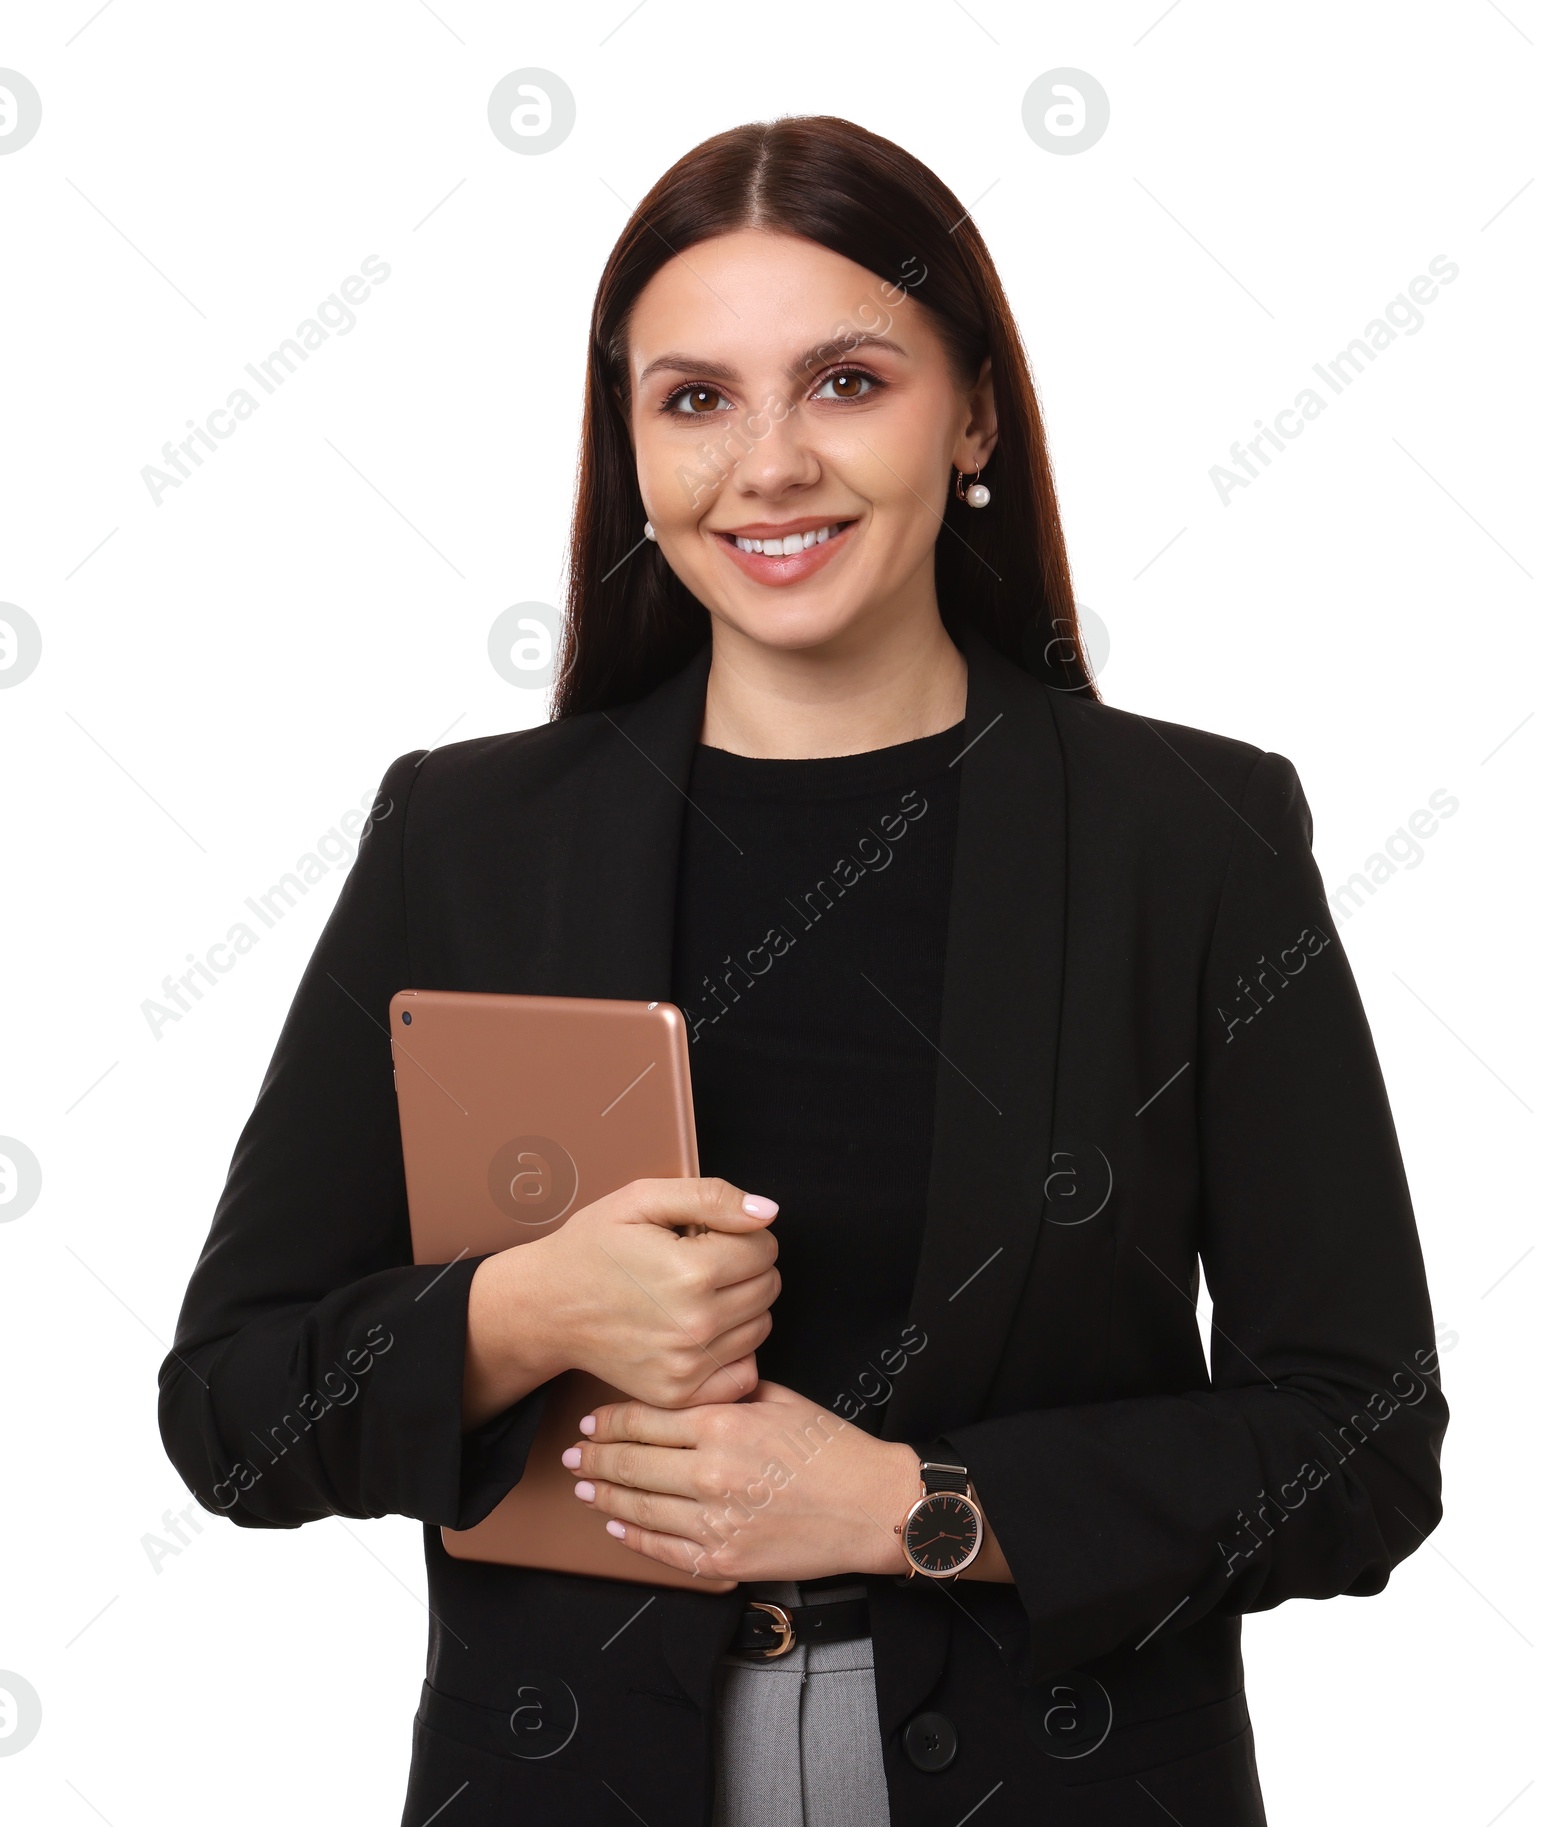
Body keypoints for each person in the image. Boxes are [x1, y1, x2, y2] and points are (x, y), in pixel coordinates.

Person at [158, 115, 1447, 1826]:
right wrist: (516, 1312)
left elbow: (1361, 1445)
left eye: (847, 382)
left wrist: (914, 1506)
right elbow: (231, 1409)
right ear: (629, 448)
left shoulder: (1193, 836)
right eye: (694, 399)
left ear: (973, 411)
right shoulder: (465, 839)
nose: (768, 465)